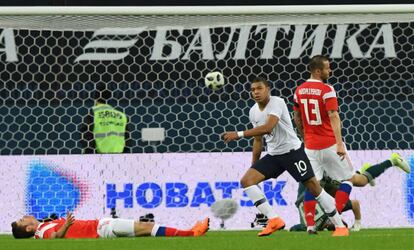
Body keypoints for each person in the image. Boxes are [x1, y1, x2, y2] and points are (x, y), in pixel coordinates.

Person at [293, 55, 410, 233]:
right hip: (329, 145)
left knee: (315, 184)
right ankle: (337, 223)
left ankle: (311, 226)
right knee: (351, 180)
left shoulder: (299, 90)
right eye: (327, 68)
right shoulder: (327, 89)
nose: (329, 71)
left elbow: (297, 118)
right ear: (318, 71)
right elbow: (334, 115)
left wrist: (305, 138)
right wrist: (339, 144)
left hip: (310, 147)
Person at [221, 77, 348, 237]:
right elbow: (258, 139)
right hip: (274, 155)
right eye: (253, 90)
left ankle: (340, 226)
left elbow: (267, 128)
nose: (256, 92)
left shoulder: (277, 102)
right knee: (247, 181)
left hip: (292, 152)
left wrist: (237, 134)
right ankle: (274, 220)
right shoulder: (253, 111)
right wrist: (254, 165)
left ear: (267, 89)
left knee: (314, 188)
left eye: (259, 88)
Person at [11, 211, 209, 239]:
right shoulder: (42, 231)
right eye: (22, 221)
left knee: (146, 230)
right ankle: (192, 234)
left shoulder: (43, 225)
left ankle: (189, 231)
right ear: (28, 228)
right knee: (147, 227)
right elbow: (54, 237)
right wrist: (66, 226)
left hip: (100, 228)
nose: (24, 217)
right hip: (101, 228)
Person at [291, 173, 362, 232]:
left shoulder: (311, 227)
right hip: (318, 190)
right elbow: (355, 204)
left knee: (309, 175)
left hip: (304, 194)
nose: (330, 222)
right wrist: (357, 224)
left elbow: (293, 229)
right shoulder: (334, 209)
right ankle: (359, 174)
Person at [80, 83, 132, 153]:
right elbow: (128, 138)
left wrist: (90, 152)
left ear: (95, 98)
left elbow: (85, 135)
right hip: (119, 156)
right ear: (109, 98)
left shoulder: (93, 113)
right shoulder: (121, 115)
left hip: (97, 157)